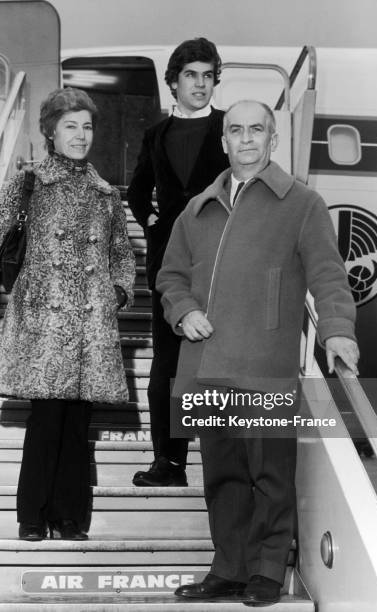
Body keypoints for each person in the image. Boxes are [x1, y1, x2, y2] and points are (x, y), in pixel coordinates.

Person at [157, 100, 359, 605]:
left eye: (257, 130)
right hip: (206, 369)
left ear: (272, 139)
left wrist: (336, 329)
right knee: (223, 477)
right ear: (223, 140)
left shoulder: (302, 205)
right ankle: (228, 568)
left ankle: (267, 572)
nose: (246, 138)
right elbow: (169, 276)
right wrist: (182, 310)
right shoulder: (197, 208)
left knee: (270, 475)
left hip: (266, 369)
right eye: (235, 130)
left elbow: (329, 275)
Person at [0, 88, 136, 542]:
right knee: (46, 422)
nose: (81, 135)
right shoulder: (31, 182)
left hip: (90, 324)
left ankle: (71, 517)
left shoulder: (106, 193)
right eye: (71, 126)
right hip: (44, 321)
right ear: (51, 133)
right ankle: (32, 517)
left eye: (87, 126)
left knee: (78, 427)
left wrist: (119, 291)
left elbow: (121, 254)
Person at [127, 37, 229, 487]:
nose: (201, 84)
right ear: (174, 82)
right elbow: (135, 190)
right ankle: (168, 463)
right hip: (169, 260)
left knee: (219, 361)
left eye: (208, 76)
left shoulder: (231, 127)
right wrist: (153, 224)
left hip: (220, 258)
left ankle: (224, 461)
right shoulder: (156, 135)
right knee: (166, 364)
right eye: (192, 76)